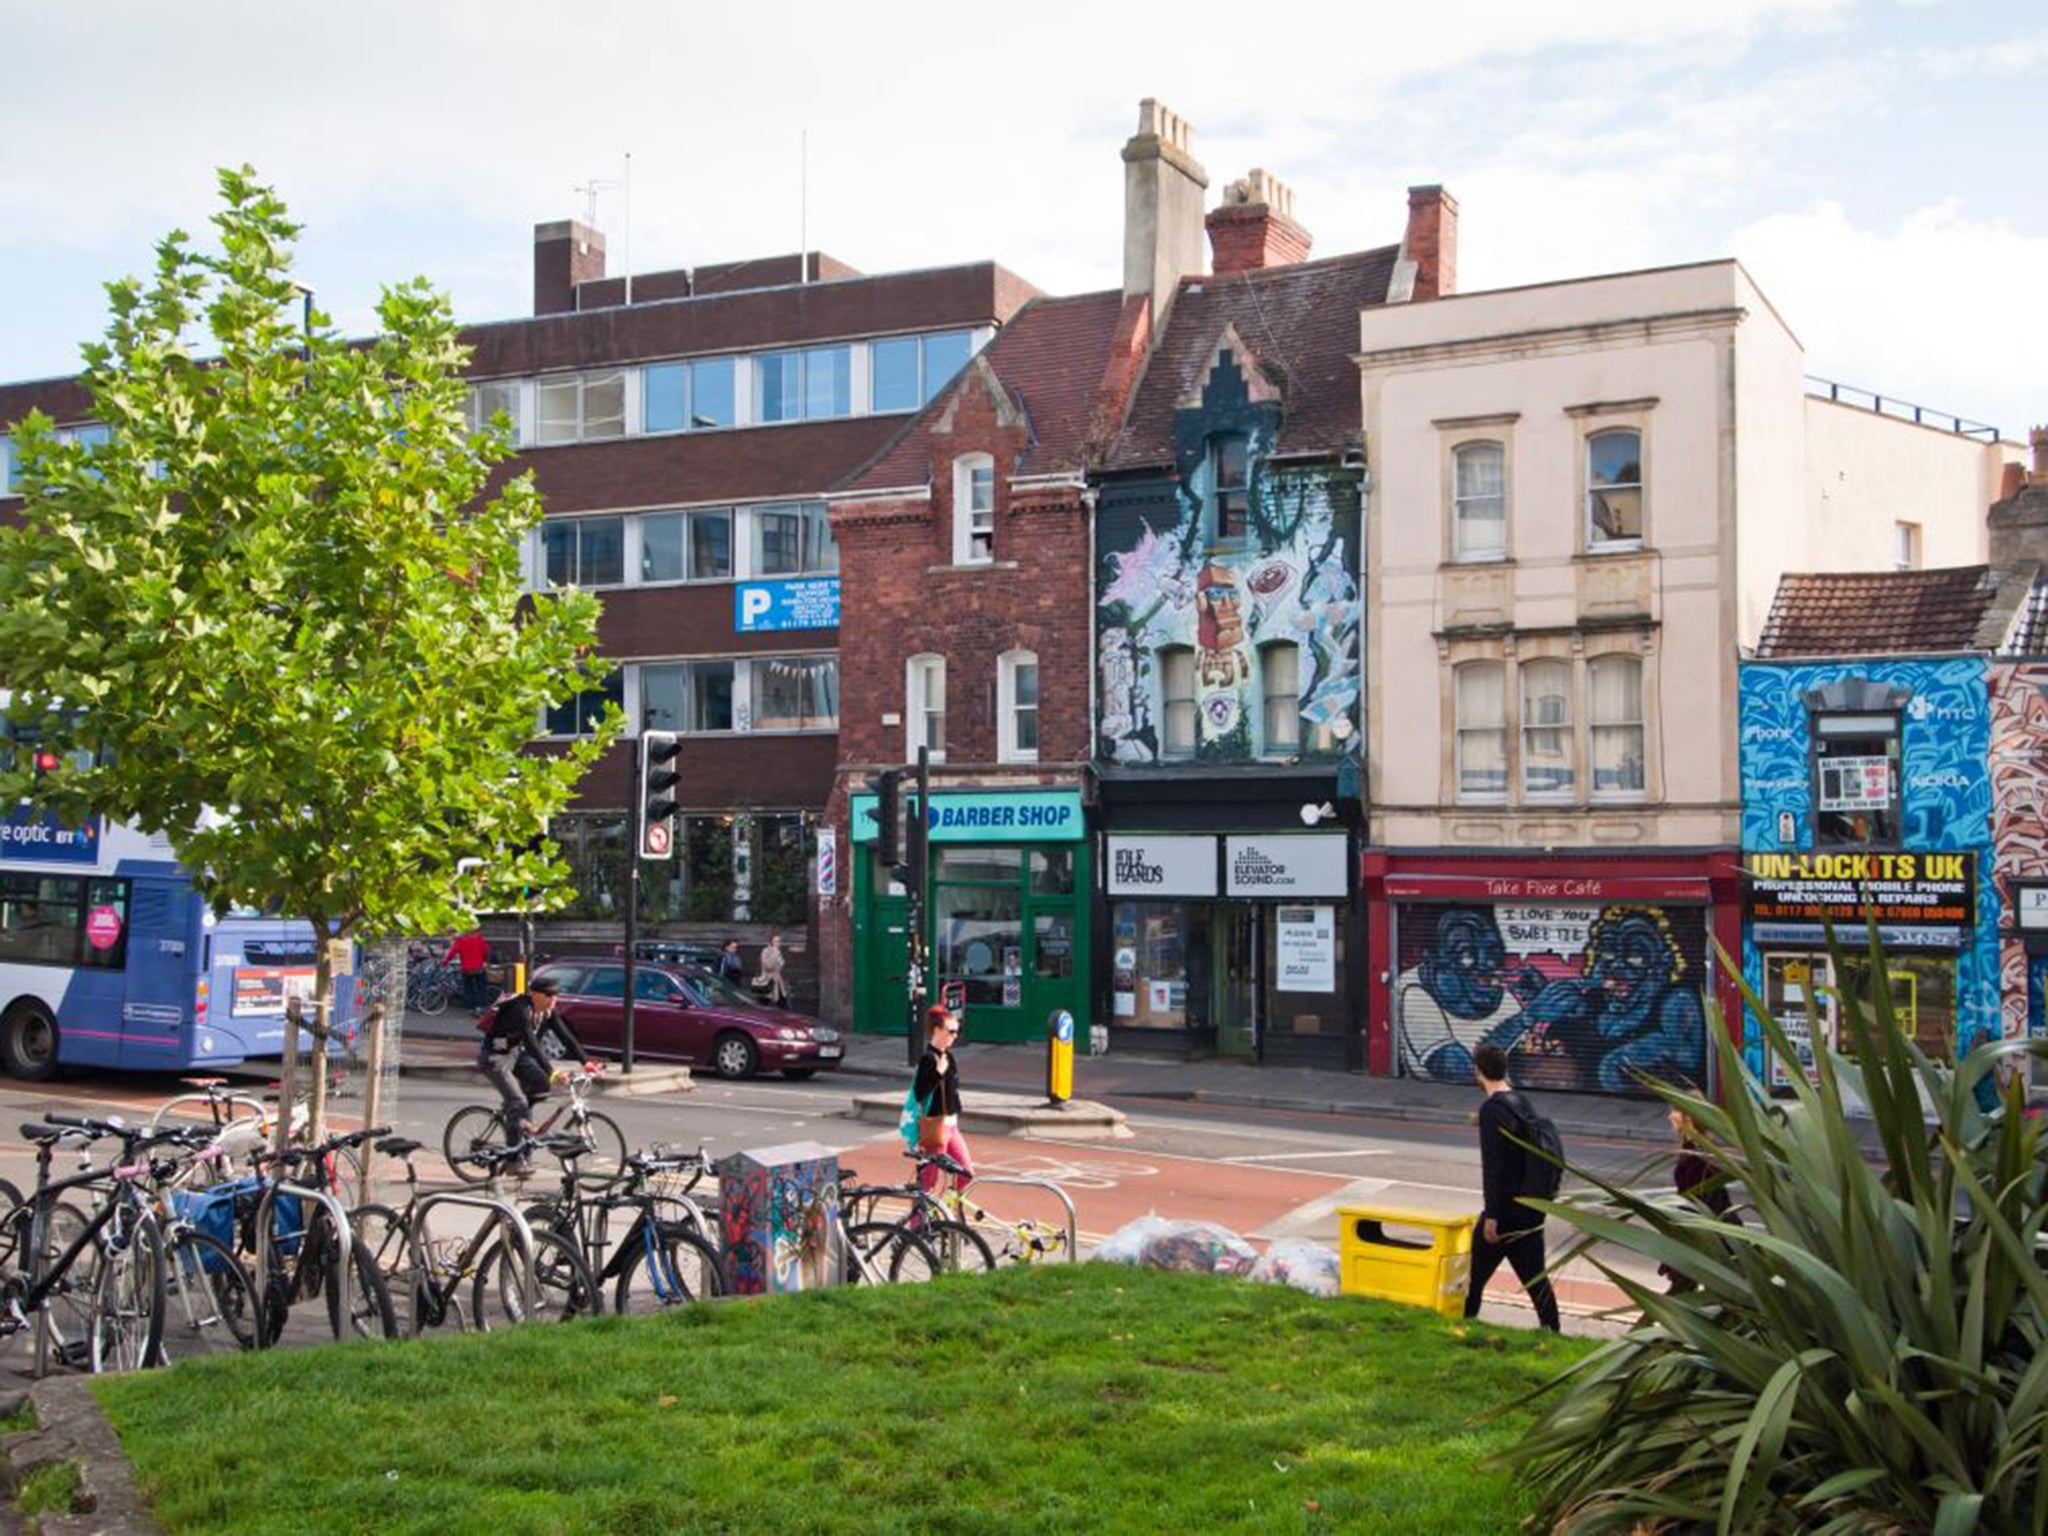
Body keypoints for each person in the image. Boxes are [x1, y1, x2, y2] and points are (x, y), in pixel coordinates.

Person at [1464, 1041, 1562, 1332]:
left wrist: (1493, 1215)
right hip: (1530, 1208)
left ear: (1478, 1071)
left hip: (1506, 1212)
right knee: (1535, 1278)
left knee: (1474, 1276)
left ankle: (1463, 1326)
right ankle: (1552, 1331)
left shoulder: (1492, 1110)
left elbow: (1495, 1167)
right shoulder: (1520, 1102)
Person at [476, 974, 588, 1170]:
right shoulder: (520, 1009)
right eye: (550, 995)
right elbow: (532, 1043)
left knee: (541, 1085)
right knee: (518, 1102)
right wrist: (552, 1071)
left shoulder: (547, 1012)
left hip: (515, 1054)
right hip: (494, 1057)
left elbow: (565, 1036)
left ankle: (518, 1118)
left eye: (557, 995)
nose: (555, 999)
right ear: (536, 995)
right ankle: (513, 1161)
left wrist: (586, 1062)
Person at [1660, 1105, 1737, 1293]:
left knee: (1683, 1289)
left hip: (1698, 1230)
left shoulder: (1695, 1152)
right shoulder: (1701, 1147)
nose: (1670, 1116)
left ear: (1687, 1118)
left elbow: (1695, 1195)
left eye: (1675, 1111)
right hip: (1706, 1228)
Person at [912, 1006, 974, 1197]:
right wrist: (937, 1073)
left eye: (958, 1031)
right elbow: (919, 1092)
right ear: (937, 1031)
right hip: (936, 1127)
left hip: (952, 1125)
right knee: (929, 1181)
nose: (955, 1036)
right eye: (951, 1031)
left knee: (966, 1173)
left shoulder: (949, 1056)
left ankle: (950, 1214)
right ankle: (918, 1225)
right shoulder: (928, 1059)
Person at [445, 927, 492, 1014]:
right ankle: (482, 1007)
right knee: (481, 988)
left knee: (469, 989)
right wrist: (483, 959)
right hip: (479, 967)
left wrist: (445, 962)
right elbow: (485, 951)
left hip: (466, 969)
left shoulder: (460, 940)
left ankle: (472, 1008)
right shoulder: (479, 939)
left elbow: (452, 952)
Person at [755, 933, 788, 1008]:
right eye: (776, 941)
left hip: (777, 980)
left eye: (779, 941)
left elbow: (781, 965)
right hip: (767, 980)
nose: (778, 943)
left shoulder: (778, 952)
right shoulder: (766, 951)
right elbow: (767, 966)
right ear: (771, 942)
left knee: (782, 1002)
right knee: (764, 1002)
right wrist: (775, 954)